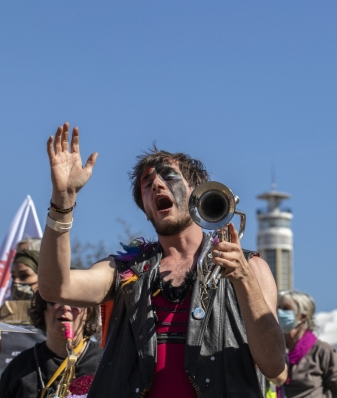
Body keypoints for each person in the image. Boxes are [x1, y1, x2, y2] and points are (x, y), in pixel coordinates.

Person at [38, 124, 287, 397]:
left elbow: (274, 366)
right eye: (147, 185)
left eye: (169, 177)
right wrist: (62, 200)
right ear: (146, 210)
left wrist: (244, 280)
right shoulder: (125, 271)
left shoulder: (250, 267)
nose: (156, 184)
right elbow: (55, 288)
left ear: (198, 192)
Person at [0, 291, 102, 397]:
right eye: (55, 301)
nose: (66, 307)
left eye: (75, 302)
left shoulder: (105, 362)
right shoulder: (19, 368)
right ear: (43, 310)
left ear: (88, 313)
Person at [273, 290, 337, 398]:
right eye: (278, 308)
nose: (279, 312)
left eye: (286, 308)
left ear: (303, 316)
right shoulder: (274, 348)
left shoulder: (322, 351)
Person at [0, 250, 47, 372]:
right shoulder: (3, 312)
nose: (16, 282)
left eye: (24, 276)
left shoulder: (59, 312)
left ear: (41, 276)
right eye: (13, 276)